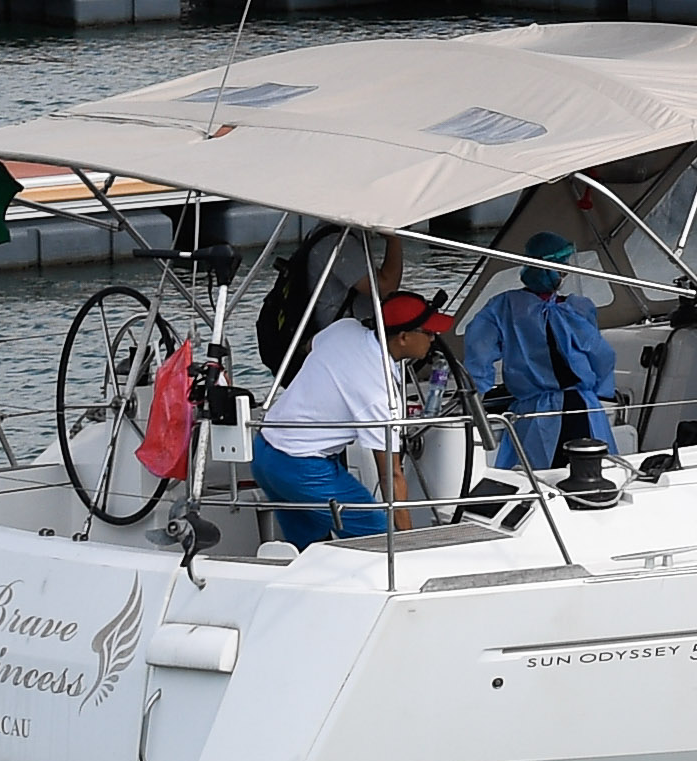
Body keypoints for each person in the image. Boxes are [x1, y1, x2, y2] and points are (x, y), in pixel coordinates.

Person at [259, 290, 443, 549]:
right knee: (381, 541)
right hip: (303, 467)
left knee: (308, 548)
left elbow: (309, 346)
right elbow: (390, 476)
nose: (434, 338)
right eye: (428, 332)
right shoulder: (379, 393)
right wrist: (408, 543)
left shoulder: (344, 328)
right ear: (403, 338)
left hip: (264, 452)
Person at [466, 231, 620, 476]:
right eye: (561, 267)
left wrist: (476, 394)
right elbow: (601, 355)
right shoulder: (576, 308)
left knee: (537, 475)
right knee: (589, 471)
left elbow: (479, 350)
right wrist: (602, 390)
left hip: (538, 410)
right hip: (579, 406)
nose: (565, 273)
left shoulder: (504, 306)